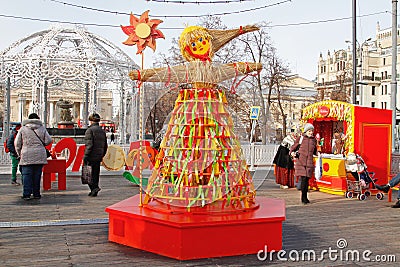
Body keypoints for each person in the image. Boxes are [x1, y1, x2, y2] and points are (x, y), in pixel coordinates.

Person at [14, 113, 52, 200]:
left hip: (26, 153)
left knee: (27, 175)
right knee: (37, 175)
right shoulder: (42, 128)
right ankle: (36, 194)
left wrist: (19, 153)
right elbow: (49, 140)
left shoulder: (23, 129)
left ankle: (26, 194)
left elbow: (17, 143)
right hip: (39, 154)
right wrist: (41, 144)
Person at [290, 123, 318, 204]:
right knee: (303, 179)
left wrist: (318, 153)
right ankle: (303, 198)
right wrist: (292, 153)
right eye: (309, 131)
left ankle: (305, 197)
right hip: (301, 162)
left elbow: (315, 150)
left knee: (306, 180)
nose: (311, 132)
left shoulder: (313, 140)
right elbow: (293, 148)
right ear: (306, 131)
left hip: (309, 162)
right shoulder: (301, 139)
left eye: (312, 131)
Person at [83, 113, 108, 197]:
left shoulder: (89, 131)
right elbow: (105, 146)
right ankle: (94, 190)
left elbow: (89, 145)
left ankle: (94, 188)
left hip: (91, 156)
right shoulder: (102, 131)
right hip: (98, 156)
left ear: (90, 121)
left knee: (88, 174)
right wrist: (102, 154)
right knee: (95, 174)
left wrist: (85, 156)